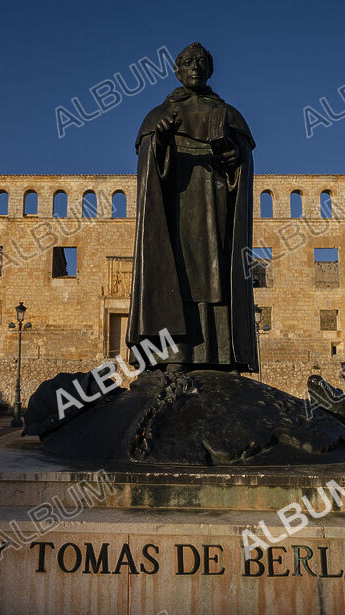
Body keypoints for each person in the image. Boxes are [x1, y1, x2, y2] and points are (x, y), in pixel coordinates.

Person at [127, 42, 258, 373]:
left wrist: (235, 160)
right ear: (177, 69)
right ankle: (172, 357)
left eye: (202, 62)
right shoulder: (159, 114)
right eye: (189, 63)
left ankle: (221, 355)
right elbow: (148, 164)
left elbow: (243, 158)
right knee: (177, 275)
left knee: (218, 276)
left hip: (216, 205)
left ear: (210, 69)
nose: (196, 67)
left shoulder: (228, 115)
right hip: (176, 208)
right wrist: (159, 141)